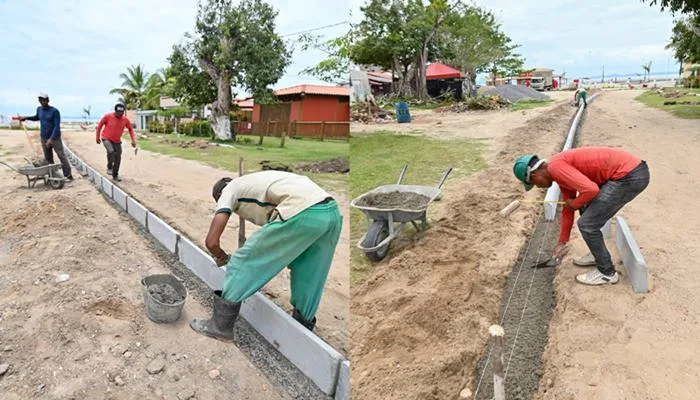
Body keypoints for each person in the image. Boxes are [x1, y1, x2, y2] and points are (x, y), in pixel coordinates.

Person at [190, 171, 342, 341]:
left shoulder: (229, 189)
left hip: (302, 210)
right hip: (331, 212)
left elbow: (211, 242)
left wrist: (223, 257)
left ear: (219, 195)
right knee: (309, 273)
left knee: (242, 262)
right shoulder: (252, 183)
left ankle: (220, 327)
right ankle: (301, 331)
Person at [512, 147, 650, 285]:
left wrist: (575, 203)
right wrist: (562, 242)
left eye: (535, 184)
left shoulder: (556, 168)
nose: (539, 187)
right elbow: (567, 209)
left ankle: (607, 273)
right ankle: (598, 256)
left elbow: (591, 190)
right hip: (629, 172)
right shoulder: (558, 172)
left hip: (629, 176)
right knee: (586, 209)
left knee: (587, 224)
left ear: (535, 176)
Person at [19, 93, 73, 180]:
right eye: (40, 100)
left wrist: (51, 139)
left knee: (61, 155)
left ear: (48, 100)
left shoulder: (54, 111)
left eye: (43, 100)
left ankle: (68, 175)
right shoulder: (39, 109)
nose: (42, 102)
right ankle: (53, 176)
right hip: (44, 137)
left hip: (55, 138)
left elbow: (56, 126)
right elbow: (37, 117)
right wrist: (26, 118)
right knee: (48, 158)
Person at [95, 104, 136, 182]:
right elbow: (100, 126)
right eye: (118, 113)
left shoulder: (125, 120)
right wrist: (97, 137)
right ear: (115, 111)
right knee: (111, 151)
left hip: (117, 141)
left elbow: (130, 129)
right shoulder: (108, 116)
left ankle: (115, 175)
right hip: (106, 138)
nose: (120, 115)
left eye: (121, 113)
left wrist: (133, 140)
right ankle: (109, 167)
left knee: (118, 158)